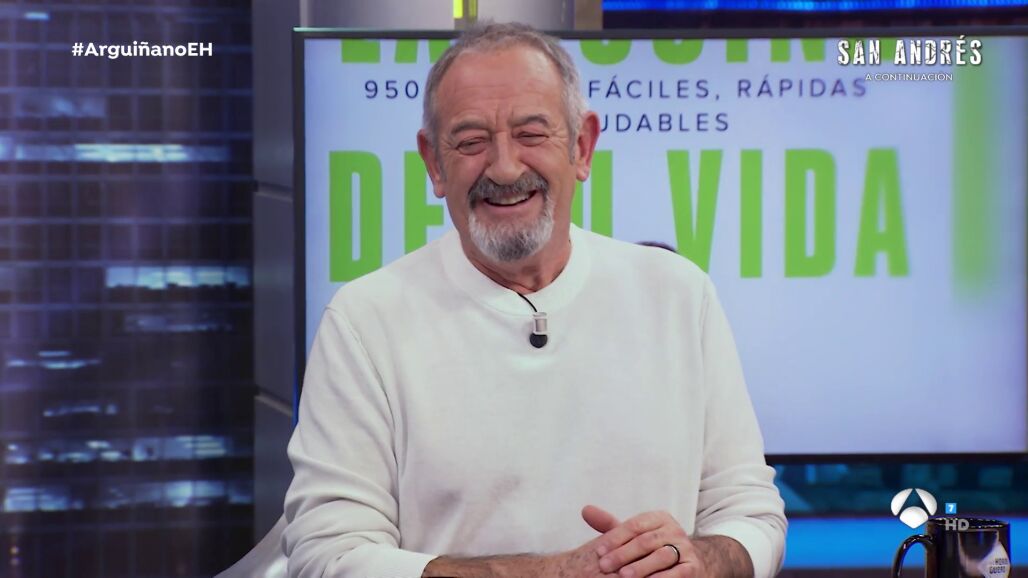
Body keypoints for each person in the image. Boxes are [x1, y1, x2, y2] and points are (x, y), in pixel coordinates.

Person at [283, 22, 786, 578]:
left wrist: (703, 561)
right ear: (433, 163)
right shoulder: (365, 321)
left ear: (582, 147)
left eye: (531, 134)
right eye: (471, 142)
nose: (504, 167)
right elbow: (327, 554)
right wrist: (553, 573)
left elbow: (751, 514)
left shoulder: (678, 293)